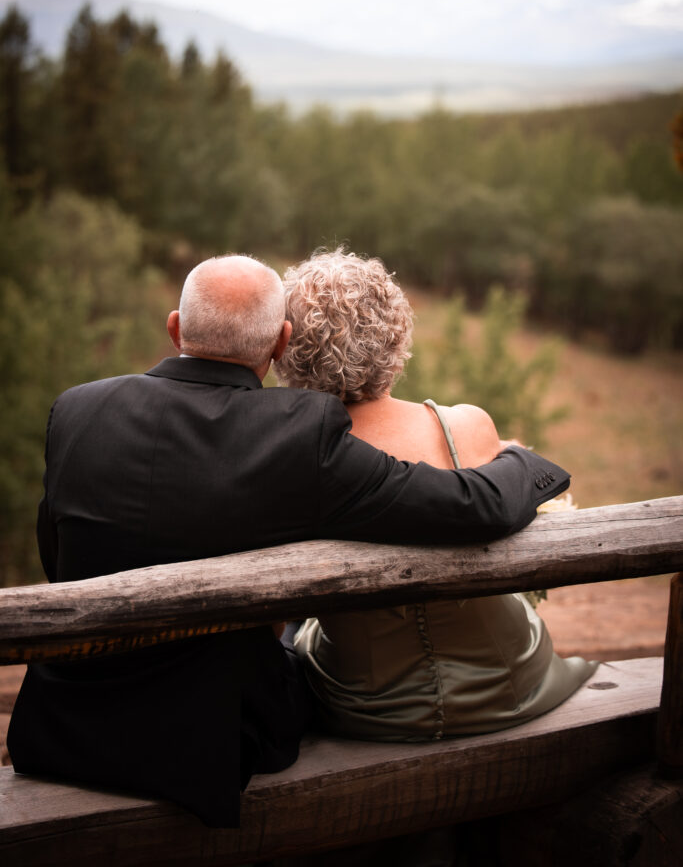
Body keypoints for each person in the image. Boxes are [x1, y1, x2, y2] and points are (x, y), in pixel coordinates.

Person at [8, 254, 572, 827]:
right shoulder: (291, 437)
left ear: (175, 327)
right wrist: (523, 461)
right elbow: (475, 506)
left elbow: (57, 559)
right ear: (280, 343)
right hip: (210, 747)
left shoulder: (74, 409)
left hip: (57, 727)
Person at [273, 249, 597, 741]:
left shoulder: (286, 461)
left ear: (285, 346)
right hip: (509, 683)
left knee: (302, 635)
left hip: (365, 703)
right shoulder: (467, 426)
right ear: (396, 332)